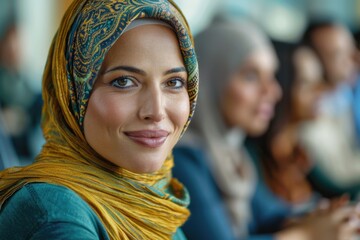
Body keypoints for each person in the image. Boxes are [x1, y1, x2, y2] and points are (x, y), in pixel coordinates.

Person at [0, 0, 199, 239]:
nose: (156, 111)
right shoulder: (55, 211)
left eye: (174, 82)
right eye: (123, 81)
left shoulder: (152, 199)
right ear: (72, 93)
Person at [173, 19, 358, 240]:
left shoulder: (231, 153)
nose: (274, 92)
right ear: (211, 77)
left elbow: (269, 214)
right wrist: (306, 235)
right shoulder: (183, 159)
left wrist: (327, 215)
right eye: (251, 76)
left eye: (272, 76)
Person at [299, 21, 360, 196]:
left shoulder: (342, 99)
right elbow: (338, 178)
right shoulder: (308, 113)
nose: (353, 59)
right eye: (338, 54)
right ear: (312, 60)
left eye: (351, 50)